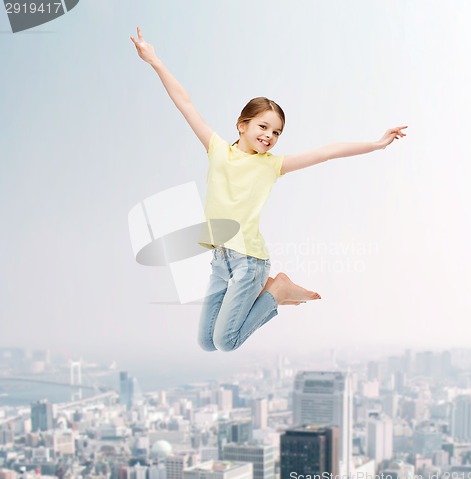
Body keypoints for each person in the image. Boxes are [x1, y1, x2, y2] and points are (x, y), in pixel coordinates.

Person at [130, 27, 407, 352]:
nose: (269, 136)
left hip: (249, 261)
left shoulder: (271, 165)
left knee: (226, 341)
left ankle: (278, 290)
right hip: (220, 260)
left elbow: (327, 151)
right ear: (242, 124)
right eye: (263, 127)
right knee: (207, 343)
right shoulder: (217, 149)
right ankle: (276, 292)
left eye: (276, 132)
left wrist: (375, 144)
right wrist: (154, 61)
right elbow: (185, 103)